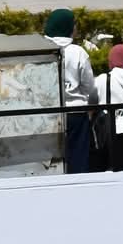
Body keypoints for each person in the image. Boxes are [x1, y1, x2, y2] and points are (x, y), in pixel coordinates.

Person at [44, 9, 100, 172]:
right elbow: (89, 86)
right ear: (67, 26)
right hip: (76, 114)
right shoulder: (78, 52)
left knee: (51, 162)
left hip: (49, 114)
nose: (76, 27)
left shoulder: (42, 50)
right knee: (78, 159)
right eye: (74, 24)